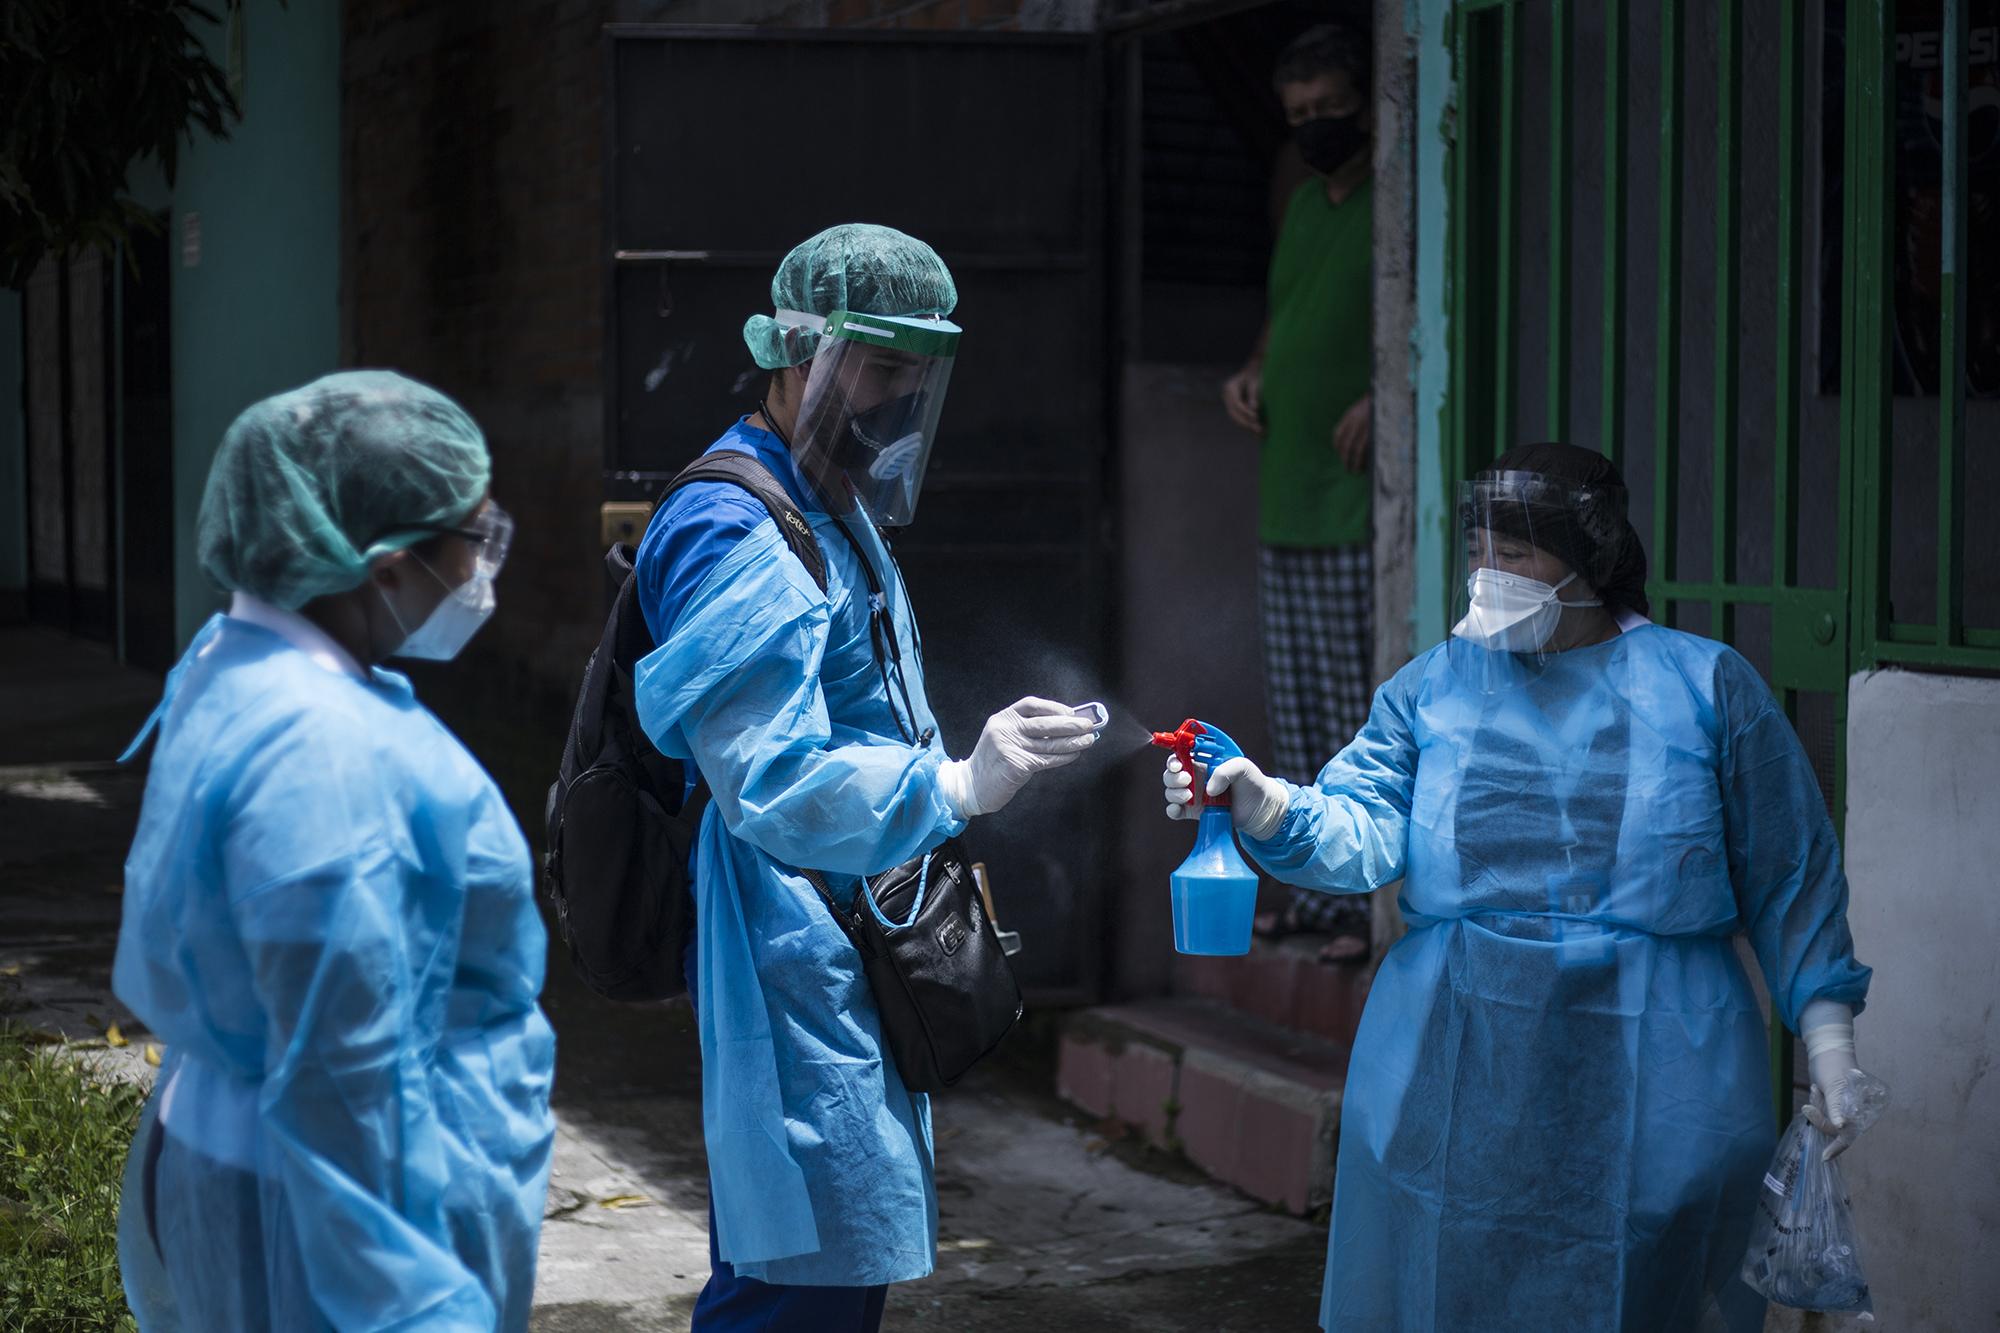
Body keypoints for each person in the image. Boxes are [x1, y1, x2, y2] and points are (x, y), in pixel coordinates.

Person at [1162, 442, 1877, 1332]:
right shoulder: (1432, 689)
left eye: (1519, 554)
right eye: (1481, 550)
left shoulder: (1705, 689)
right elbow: (1364, 828)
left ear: (1591, 561)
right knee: (1453, 1283)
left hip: (1659, 1073)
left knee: (1646, 1289)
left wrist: (1831, 1044)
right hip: (1463, 1068)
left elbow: (1792, 873)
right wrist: (1267, 804)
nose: (1489, 575)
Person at [632, 223, 1102, 1332]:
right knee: (796, 1260)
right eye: (880, 366)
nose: (899, 396)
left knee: (831, 1248)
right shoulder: (730, 521)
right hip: (782, 932)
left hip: (842, 919)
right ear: (798, 352)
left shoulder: (829, 500)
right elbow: (771, 778)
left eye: (917, 371)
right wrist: (949, 787)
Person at [112, 371, 555, 1330]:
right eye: (473, 540)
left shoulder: (236, 665)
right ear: (388, 566)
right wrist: (418, 1311)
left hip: (251, 1178)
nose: (485, 569)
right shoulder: (324, 763)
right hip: (326, 1238)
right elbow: (343, 1085)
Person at [1220, 23, 1378, 961]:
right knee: (1304, 710)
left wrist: (1384, 400)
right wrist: (1250, 371)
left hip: (1356, 498)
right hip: (1287, 493)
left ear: (1367, 106)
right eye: (1300, 116)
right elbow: (1285, 319)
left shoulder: (1394, 206)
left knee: (1357, 712)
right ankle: (1318, 897)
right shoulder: (1308, 207)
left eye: (1331, 109)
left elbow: (1417, 327)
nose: (1316, 127)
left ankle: (1364, 901)